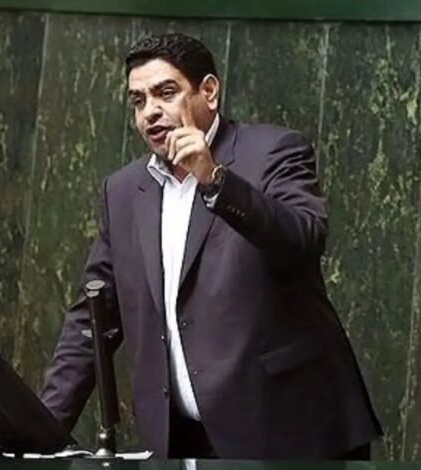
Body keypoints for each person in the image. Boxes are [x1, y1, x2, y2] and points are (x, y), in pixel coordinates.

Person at [40, 32, 382, 460]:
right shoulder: (124, 190)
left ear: (209, 91)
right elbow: (91, 320)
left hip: (289, 433)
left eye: (166, 93)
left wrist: (214, 178)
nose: (150, 111)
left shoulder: (274, 152)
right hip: (182, 442)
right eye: (138, 100)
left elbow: (302, 238)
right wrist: (41, 432)